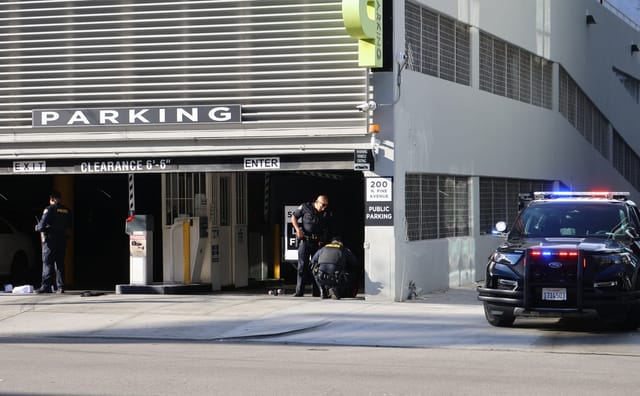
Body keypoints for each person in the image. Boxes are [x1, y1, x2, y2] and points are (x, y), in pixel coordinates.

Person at [291, 194, 331, 297]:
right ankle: (299, 291)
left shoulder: (325, 212)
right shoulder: (305, 207)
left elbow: (326, 227)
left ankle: (316, 292)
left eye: (326, 205)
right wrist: (297, 230)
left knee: (316, 267)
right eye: (322, 205)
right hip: (305, 241)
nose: (324, 207)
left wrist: (323, 239)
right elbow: (294, 217)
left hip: (317, 242)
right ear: (317, 202)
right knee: (302, 266)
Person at [34, 190, 72, 294]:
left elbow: (41, 226)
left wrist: (37, 227)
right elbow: (69, 225)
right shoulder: (66, 210)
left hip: (50, 241)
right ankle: (61, 287)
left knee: (47, 263)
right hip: (62, 240)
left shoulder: (49, 209)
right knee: (60, 264)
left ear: (52, 199)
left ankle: (46, 286)